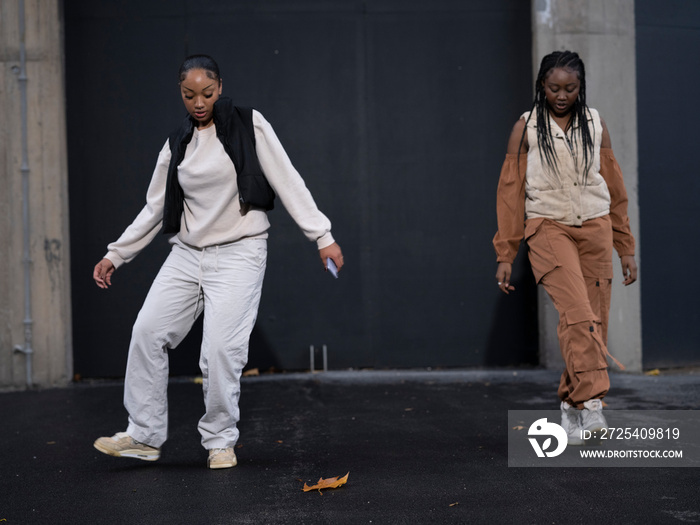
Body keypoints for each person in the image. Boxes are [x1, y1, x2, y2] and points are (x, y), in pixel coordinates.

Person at [92, 54, 344, 469]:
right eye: (190, 95)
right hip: (188, 254)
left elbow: (287, 178)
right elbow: (155, 208)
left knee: (220, 351)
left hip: (240, 252)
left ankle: (220, 441)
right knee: (147, 331)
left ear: (220, 87)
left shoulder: (249, 124)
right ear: (180, 93)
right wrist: (116, 254)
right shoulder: (177, 143)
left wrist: (322, 235)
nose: (199, 102)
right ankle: (144, 435)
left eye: (207, 93)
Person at [492, 51, 637, 445]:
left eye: (570, 88)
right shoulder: (526, 129)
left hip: (595, 227)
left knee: (594, 319)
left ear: (580, 87)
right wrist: (506, 253)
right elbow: (510, 194)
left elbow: (616, 189)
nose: (561, 95)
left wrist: (625, 246)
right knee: (577, 313)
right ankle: (592, 405)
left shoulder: (595, 124)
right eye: (554, 88)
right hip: (547, 228)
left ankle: (570, 406)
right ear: (542, 85)